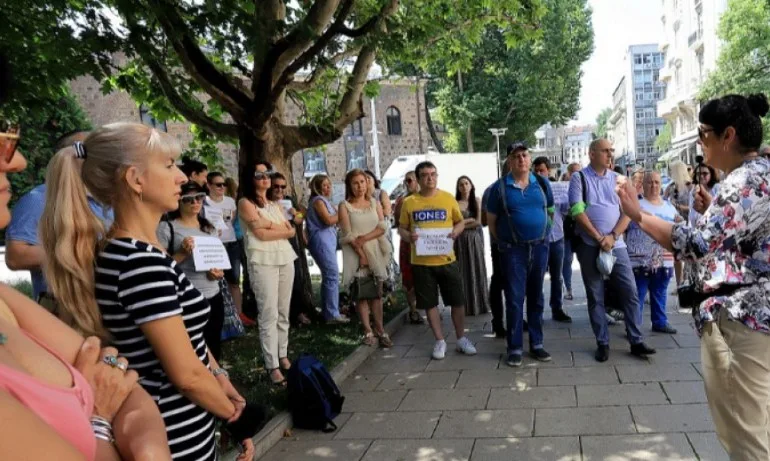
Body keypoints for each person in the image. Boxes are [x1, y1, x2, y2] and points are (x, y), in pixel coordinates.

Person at [40, 122, 255, 460]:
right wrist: (237, 419)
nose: (183, 177)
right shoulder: (140, 263)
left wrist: (221, 380)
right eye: (169, 165)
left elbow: (191, 343)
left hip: (180, 427)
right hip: (174, 437)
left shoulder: (133, 252)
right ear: (135, 179)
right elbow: (186, 376)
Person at [0, 121, 171, 461]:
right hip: (65, 303)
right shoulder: (39, 198)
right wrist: (76, 253)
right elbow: (18, 254)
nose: (16, 162)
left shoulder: (5, 303)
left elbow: (121, 383)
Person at [617, 93, 770, 460]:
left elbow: (697, 245)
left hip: (740, 320)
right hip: (756, 316)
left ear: (727, 135)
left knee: (745, 435)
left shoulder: (743, 181)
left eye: (703, 134)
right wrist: (709, 209)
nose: (701, 144)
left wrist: (639, 215)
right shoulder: (756, 175)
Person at [568, 138, 656, 363]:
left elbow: (629, 212)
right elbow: (577, 210)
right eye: (605, 151)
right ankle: (603, 342)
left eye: (611, 150)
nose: (610, 154)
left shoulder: (619, 180)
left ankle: (636, 340)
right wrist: (599, 237)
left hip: (617, 245)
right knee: (595, 295)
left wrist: (613, 236)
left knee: (630, 292)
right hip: (590, 245)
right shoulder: (579, 178)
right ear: (592, 154)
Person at [6, 131, 113, 313]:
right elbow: (15, 257)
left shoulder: (109, 199)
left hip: (110, 309)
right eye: (87, 149)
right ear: (66, 156)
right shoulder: (39, 199)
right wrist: (87, 251)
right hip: (64, 313)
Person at [399, 161, 477, 360]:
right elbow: (402, 228)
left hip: (447, 259)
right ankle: (440, 340)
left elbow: (459, 222)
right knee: (430, 303)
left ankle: (461, 339)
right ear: (418, 179)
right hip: (422, 262)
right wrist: (409, 237)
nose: (430, 178)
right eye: (425, 175)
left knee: (458, 301)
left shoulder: (447, 198)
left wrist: (456, 231)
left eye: (433, 174)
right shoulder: (410, 202)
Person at [487, 145, 554, 367]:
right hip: (513, 250)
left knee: (536, 297)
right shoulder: (499, 188)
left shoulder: (542, 183)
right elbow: (492, 222)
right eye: (516, 156)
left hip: (539, 247)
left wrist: (544, 233)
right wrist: (505, 243)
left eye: (524, 155)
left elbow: (550, 211)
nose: (521, 159)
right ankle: (514, 347)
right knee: (515, 299)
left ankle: (537, 344)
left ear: (530, 158)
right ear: (510, 161)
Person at [238, 161, 297, 386]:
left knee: (283, 311)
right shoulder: (245, 203)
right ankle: (271, 363)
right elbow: (259, 235)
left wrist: (269, 226)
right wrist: (278, 229)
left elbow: (291, 231)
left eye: (268, 174)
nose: (265, 178)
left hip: (284, 257)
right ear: (250, 178)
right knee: (268, 313)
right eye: (259, 174)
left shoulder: (274, 204)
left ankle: (282, 354)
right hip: (262, 260)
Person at [157, 181, 226, 360]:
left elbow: (216, 261)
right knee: (191, 346)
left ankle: (216, 379)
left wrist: (217, 274)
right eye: (189, 199)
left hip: (213, 294)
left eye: (200, 197)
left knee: (213, 342)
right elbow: (161, 268)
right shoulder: (167, 228)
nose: (195, 202)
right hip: (186, 297)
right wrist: (181, 254)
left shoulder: (208, 226)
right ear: (179, 201)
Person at [339, 169, 393, 347]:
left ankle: (380, 329)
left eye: (362, 182)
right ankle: (367, 330)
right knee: (361, 294)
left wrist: (365, 239)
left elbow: (381, 226)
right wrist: (361, 254)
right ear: (349, 185)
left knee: (376, 294)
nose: (360, 186)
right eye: (355, 183)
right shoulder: (344, 206)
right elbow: (347, 234)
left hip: (375, 250)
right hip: (356, 253)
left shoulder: (373, 203)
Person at [624, 171, 679, 334]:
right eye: (650, 182)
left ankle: (660, 321)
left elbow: (678, 227)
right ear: (643, 184)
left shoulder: (669, 206)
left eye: (656, 182)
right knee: (638, 294)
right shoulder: (636, 205)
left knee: (660, 292)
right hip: (639, 259)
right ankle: (634, 326)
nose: (653, 185)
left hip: (664, 258)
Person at [271, 172, 317, 326]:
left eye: (283, 187)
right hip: (273, 243)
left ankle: (297, 313)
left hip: (290, 242)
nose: (279, 190)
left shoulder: (288, 200)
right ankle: (280, 315)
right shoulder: (266, 201)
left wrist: (295, 213)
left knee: (296, 277)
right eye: (276, 186)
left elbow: (299, 218)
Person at [306, 174, 349, 324]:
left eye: (329, 185)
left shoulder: (326, 201)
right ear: (316, 187)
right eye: (324, 185)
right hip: (321, 241)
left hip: (328, 241)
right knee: (331, 274)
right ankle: (332, 314)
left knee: (329, 275)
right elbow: (328, 220)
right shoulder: (318, 201)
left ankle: (328, 310)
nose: (327, 188)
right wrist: (342, 212)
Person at [533, 156, 572, 323]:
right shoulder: (531, 189)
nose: (539, 173)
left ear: (548, 170)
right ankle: (537, 311)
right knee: (537, 276)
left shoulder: (556, 188)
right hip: (538, 239)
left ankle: (557, 308)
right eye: (536, 171)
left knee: (557, 276)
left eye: (542, 170)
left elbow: (565, 210)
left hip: (557, 237)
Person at [206, 171, 243, 324]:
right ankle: (220, 318)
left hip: (231, 242)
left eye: (224, 184)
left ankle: (239, 316)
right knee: (216, 280)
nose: (222, 187)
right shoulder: (204, 202)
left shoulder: (230, 201)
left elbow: (231, 221)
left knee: (234, 279)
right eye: (218, 184)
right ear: (209, 185)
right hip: (214, 244)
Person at [481, 159, 510, 338]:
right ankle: (498, 321)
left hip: (520, 246)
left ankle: (514, 318)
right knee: (499, 281)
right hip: (500, 244)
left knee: (515, 283)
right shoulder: (492, 190)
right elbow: (484, 220)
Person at [454, 175, 490, 316]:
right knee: (462, 271)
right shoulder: (455, 203)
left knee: (477, 268)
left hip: (474, 239)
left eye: (466, 183)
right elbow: (453, 223)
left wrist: (463, 224)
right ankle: (466, 305)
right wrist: (467, 222)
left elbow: (478, 221)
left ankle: (479, 304)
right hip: (460, 241)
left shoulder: (477, 200)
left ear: (471, 185)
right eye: (461, 184)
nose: (464, 186)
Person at [394, 172, 424, 324]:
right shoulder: (402, 200)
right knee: (409, 277)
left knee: (427, 276)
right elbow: (398, 222)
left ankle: (428, 306)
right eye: (406, 181)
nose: (408, 183)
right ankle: (413, 310)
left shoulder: (427, 197)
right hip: (409, 243)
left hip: (426, 242)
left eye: (410, 180)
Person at [664, 160, 691, 291]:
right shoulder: (670, 187)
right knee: (677, 256)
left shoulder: (690, 186)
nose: (669, 173)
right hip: (674, 225)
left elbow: (693, 207)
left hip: (688, 223)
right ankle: (680, 284)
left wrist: (677, 206)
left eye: (671, 170)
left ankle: (687, 282)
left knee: (689, 255)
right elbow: (663, 201)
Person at [562, 162, 581, 300]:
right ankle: (568, 288)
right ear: (568, 174)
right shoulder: (561, 188)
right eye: (573, 172)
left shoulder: (583, 186)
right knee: (567, 260)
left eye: (578, 172)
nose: (575, 175)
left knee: (585, 261)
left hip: (581, 230)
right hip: (567, 231)